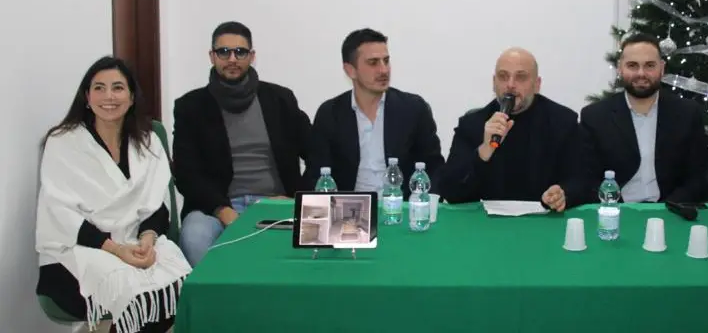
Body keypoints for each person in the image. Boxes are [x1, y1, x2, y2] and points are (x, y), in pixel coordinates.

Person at [36, 57, 190, 333]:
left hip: (137, 241)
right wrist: (117, 250)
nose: (109, 96)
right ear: (87, 97)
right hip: (77, 252)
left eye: (118, 88)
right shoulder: (63, 142)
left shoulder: (148, 140)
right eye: (99, 88)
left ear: (131, 97)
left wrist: (146, 242)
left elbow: (158, 203)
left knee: (182, 287)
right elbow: (60, 213)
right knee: (140, 297)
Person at [173, 21, 311, 266]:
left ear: (252, 56)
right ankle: (218, 293)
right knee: (194, 237)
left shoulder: (280, 99)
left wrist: (297, 198)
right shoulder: (190, 106)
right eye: (223, 52)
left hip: (274, 202)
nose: (232, 59)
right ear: (212, 56)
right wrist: (223, 210)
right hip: (216, 208)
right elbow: (186, 173)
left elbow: (316, 151)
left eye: (240, 52)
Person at [437, 47, 585, 211]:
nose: (510, 85)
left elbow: (582, 181)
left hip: (544, 219)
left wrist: (563, 194)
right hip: (487, 222)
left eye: (521, 77)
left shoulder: (563, 122)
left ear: (537, 85)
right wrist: (484, 151)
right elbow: (451, 192)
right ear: (494, 83)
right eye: (503, 76)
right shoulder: (472, 124)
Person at [305, 28, 444, 195]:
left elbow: (434, 168)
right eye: (373, 63)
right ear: (350, 70)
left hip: (400, 205)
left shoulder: (413, 109)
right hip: (350, 207)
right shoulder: (330, 113)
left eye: (386, 61)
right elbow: (316, 174)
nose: (384, 70)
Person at [579, 33, 708, 203]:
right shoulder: (595, 117)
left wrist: (668, 210)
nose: (641, 73)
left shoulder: (687, 113)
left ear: (662, 68)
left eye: (650, 65)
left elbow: (698, 177)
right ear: (620, 68)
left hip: (671, 210)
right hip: (617, 211)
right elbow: (587, 179)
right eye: (632, 65)